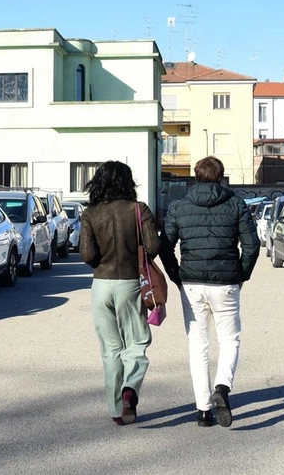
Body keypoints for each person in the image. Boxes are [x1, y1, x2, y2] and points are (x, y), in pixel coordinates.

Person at [161, 156, 260, 428]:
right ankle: (223, 388)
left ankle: (203, 410)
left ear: (196, 176)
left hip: (191, 282)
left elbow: (164, 246)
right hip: (226, 282)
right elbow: (252, 245)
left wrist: (177, 276)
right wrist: (242, 275)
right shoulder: (236, 204)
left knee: (198, 345)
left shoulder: (179, 206)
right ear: (221, 176)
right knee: (229, 340)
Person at [79, 160, 164, 426]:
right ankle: (130, 388)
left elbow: (87, 254)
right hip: (130, 283)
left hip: (101, 284)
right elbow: (152, 247)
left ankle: (117, 409)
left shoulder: (90, 214)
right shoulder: (139, 210)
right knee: (136, 343)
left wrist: (101, 263)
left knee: (110, 348)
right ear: (128, 182)